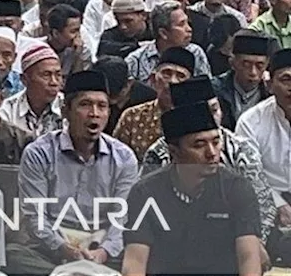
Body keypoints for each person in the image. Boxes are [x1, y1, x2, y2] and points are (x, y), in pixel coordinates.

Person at [10, 69, 138, 273]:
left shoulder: (124, 157)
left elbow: (122, 219)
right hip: (52, 249)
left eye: (102, 106)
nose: (94, 113)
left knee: (142, 257)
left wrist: (103, 252)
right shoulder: (39, 153)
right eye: (85, 104)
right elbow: (35, 217)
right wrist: (67, 251)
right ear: (65, 110)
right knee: (12, 255)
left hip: (100, 247)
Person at [122, 101, 263, 276]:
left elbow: (248, 257)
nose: (212, 152)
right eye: (199, 145)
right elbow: (134, 261)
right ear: (174, 152)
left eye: (216, 142)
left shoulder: (237, 188)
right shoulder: (145, 192)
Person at [141, 76, 276, 244]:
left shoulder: (241, 149)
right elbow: (146, 209)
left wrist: (253, 243)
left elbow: (263, 205)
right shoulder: (159, 152)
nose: (211, 119)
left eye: (214, 110)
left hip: (234, 240)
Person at [234, 47, 291, 263]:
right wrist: (278, 204)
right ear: (269, 84)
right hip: (267, 202)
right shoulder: (251, 122)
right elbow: (249, 177)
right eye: (286, 79)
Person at [114, 45, 196, 160]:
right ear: (153, 79)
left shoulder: (198, 120)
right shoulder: (132, 117)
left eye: (180, 76)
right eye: (167, 73)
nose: (172, 81)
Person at [0, 43, 65, 138]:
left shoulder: (68, 107)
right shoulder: (8, 109)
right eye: (46, 75)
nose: (54, 82)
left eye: (58, 75)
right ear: (25, 80)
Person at [215, 30, 272, 129]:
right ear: (232, 63)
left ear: (266, 65)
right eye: (246, 64)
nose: (253, 72)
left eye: (259, 66)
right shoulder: (215, 90)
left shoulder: (272, 93)